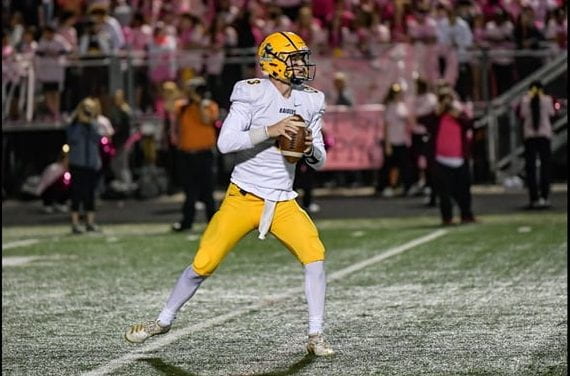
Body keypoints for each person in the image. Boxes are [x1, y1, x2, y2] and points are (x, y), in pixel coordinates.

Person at [125, 31, 334, 356]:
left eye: (302, 58)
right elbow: (225, 143)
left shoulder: (310, 99)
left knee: (315, 256)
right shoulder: (252, 92)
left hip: (282, 199)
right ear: (272, 63)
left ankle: (315, 334)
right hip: (244, 196)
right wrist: (271, 130)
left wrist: (308, 150)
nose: (301, 65)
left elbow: (320, 160)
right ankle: (163, 321)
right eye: (294, 59)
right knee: (203, 263)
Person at [171, 77, 219, 232]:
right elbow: (170, 109)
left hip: (205, 154)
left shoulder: (210, 106)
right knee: (189, 191)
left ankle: (212, 223)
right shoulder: (183, 107)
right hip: (186, 154)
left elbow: (206, 120)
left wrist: (199, 104)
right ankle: (187, 222)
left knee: (208, 190)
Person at [423, 88, 476, 225]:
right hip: (441, 160)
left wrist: (457, 114)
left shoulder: (459, 114)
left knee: (463, 190)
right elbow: (425, 123)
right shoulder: (436, 116)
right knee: (444, 193)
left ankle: (466, 215)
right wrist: (438, 111)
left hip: (459, 158)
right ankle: (447, 218)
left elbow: (470, 124)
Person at [66, 98, 102, 234]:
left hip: (91, 164)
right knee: (76, 194)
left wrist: (90, 123)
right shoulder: (74, 125)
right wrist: (80, 123)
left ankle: (90, 222)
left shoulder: (94, 124)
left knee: (90, 194)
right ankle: (75, 223)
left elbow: (98, 138)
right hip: (77, 164)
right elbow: (72, 139)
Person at [519, 81, 555, 209]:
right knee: (545, 167)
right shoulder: (547, 100)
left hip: (530, 136)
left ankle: (533, 198)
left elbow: (522, 115)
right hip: (544, 135)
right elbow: (552, 113)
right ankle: (544, 197)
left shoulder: (525, 100)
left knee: (531, 169)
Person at [35, 147, 70, 214]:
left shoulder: (66, 170)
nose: (68, 162)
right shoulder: (54, 168)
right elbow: (46, 183)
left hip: (57, 189)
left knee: (69, 185)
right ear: (62, 160)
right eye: (67, 160)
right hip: (46, 190)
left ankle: (60, 203)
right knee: (56, 185)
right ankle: (48, 204)